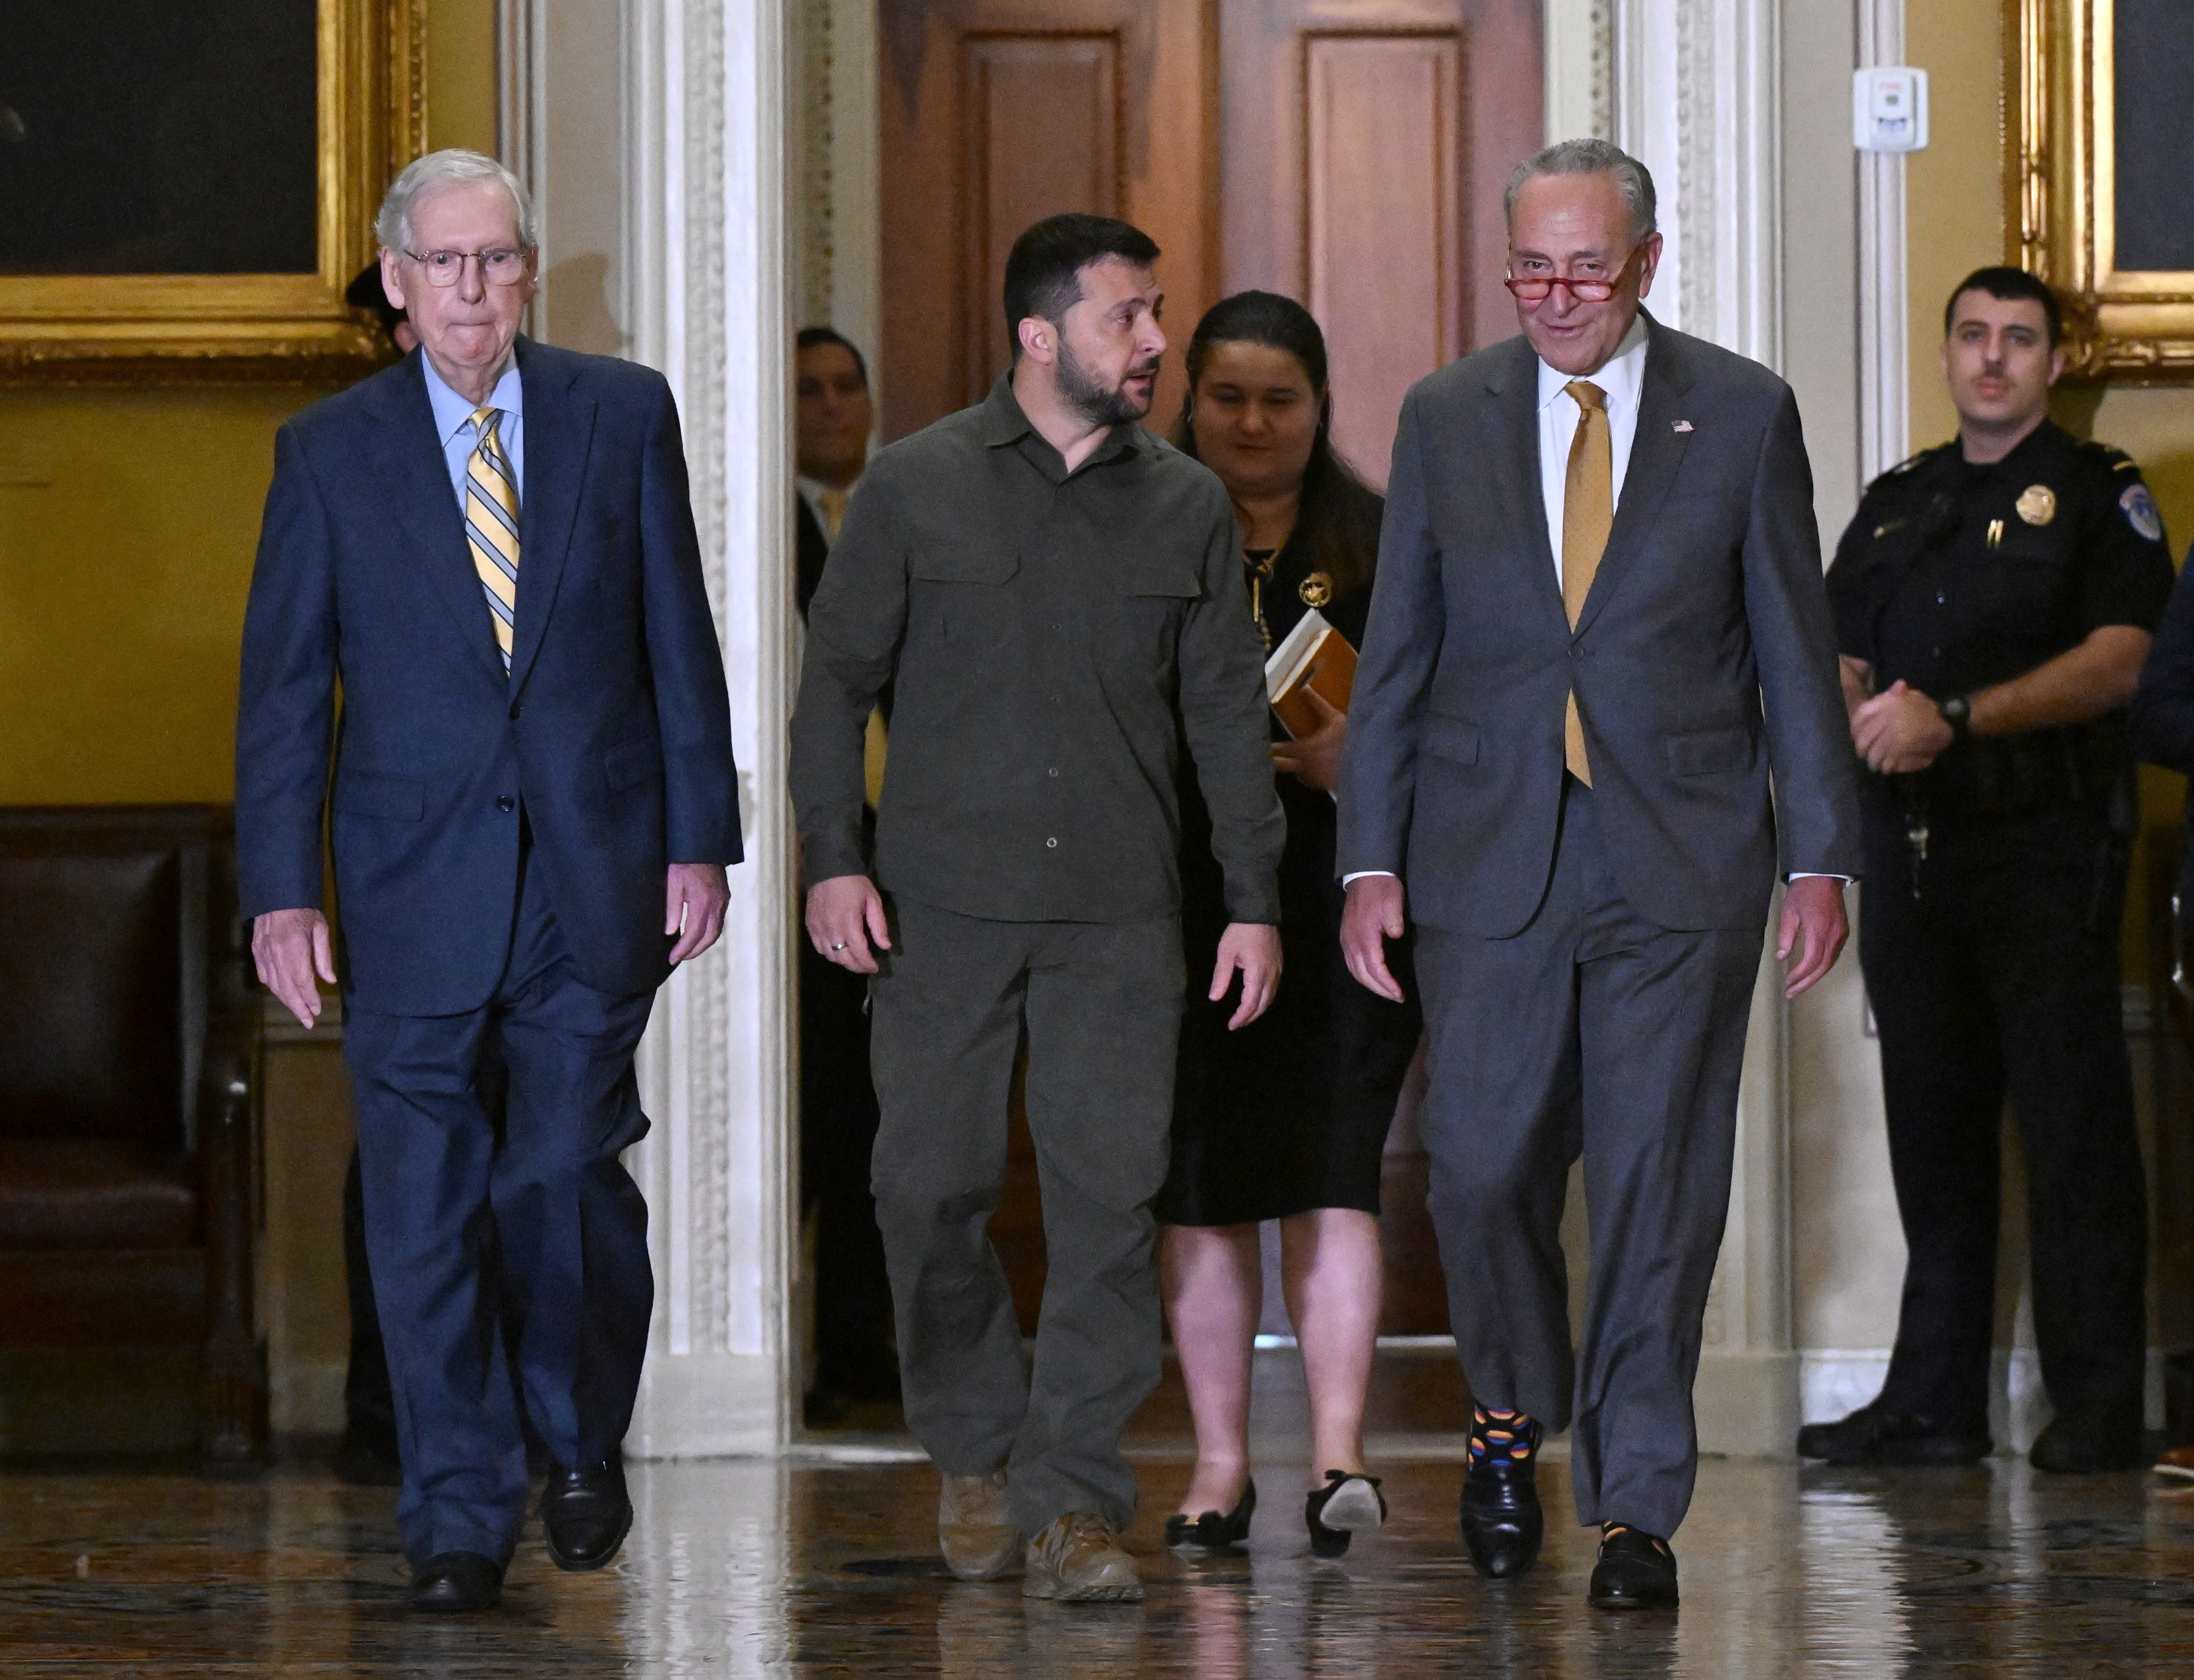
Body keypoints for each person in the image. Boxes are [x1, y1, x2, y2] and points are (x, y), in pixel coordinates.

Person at [1336, 138, 1861, 1612]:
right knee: (1482, 1163)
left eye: (1580, 265)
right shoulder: (1448, 413)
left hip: (1679, 854)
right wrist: (1366, 855)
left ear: (1640, 261)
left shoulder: (1741, 412)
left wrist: (1819, 850)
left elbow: (1789, 648)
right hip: (1483, 854)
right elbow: (1398, 658)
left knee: (1655, 1184)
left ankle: (1636, 1504)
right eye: (1528, 266)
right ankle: (1506, 1407)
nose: (1553, 294)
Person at [236, 149, 742, 1614]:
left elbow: (676, 640)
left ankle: (577, 1434)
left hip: (589, 871)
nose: (473, 290)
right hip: (407, 882)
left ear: (527, 269)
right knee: (423, 1204)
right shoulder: (327, 453)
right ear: (397, 284)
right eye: (443, 265)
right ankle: (456, 1506)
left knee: (562, 1172)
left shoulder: (618, 415)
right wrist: (284, 889)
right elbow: (285, 694)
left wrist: (696, 838)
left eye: (497, 260)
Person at [791, 213, 1284, 1603]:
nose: (1153, 341)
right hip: (939, 909)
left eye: (1155, 314)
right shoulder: (911, 489)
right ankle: (970, 1443)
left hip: (1123, 916)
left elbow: (1226, 718)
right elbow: (832, 690)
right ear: (1039, 332)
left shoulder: (1185, 502)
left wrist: (1252, 899)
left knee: (1105, 1211)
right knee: (923, 1187)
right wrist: (834, 856)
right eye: (1128, 315)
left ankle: (1073, 1497)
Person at [1802, 266, 2173, 1476]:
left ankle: (2102, 1408)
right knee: (1935, 1134)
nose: (1994, 358)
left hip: (2046, 850)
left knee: (2072, 1137)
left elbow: (2127, 660)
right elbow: (1837, 641)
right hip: (1914, 851)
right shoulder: (1903, 498)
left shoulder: (2097, 492)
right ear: (1950, 350)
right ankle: (1934, 1405)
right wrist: (1865, 708)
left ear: (2056, 360)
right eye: (1974, 336)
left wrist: (1955, 715)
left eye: (2019, 339)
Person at [1155, 291, 1422, 1559]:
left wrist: (1357, 758)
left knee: (1331, 1163)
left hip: (1340, 888)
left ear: (1320, 408)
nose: (1252, 422)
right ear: (1186, 399)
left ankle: (1336, 1454)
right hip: (1180, 896)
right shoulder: (1131, 521)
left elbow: (1456, 714)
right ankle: (1217, 1463)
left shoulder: (1384, 541)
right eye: (1227, 396)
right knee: (1199, 1180)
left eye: (1280, 398)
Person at [790, 325, 898, 1422]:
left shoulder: (905, 505)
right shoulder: (755, 522)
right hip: (804, 849)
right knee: (821, 1110)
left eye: (846, 386)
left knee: (890, 1112)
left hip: (912, 840)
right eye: (808, 391)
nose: (830, 406)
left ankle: (872, 1349)